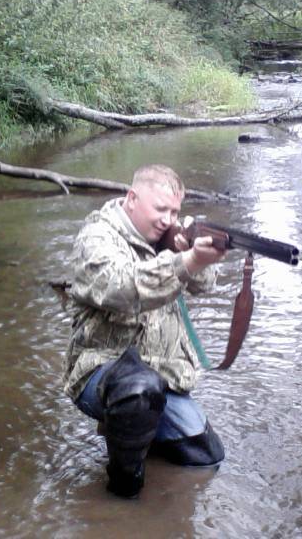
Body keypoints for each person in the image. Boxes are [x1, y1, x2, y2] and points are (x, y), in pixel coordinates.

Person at [63, 164, 227, 498]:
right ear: (133, 198)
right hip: (100, 371)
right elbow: (122, 287)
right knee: (138, 390)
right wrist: (186, 262)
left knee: (205, 458)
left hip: (162, 375)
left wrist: (187, 252)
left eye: (175, 211)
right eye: (161, 209)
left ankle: (138, 431)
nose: (168, 219)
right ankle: (123, 488)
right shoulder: (97, 237)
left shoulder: (167, 237)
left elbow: (206, 286)